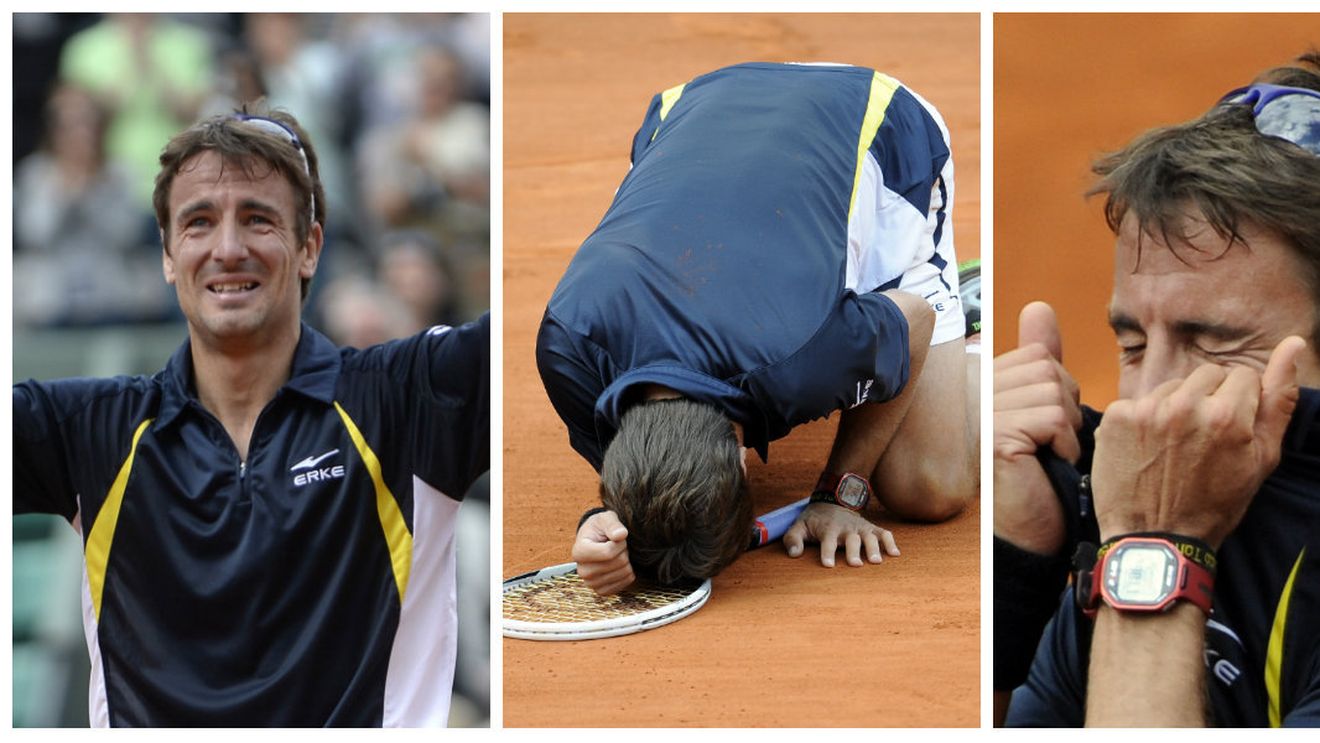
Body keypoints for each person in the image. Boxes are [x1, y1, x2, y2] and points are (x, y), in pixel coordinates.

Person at [13, 106, 489, 726]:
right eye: (199, 222)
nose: (228, 248)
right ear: (166, 255)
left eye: (258, 219)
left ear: (309, 247)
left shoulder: (410, 397)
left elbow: (559, 330)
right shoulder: (89, 429)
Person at [535, 62, 978, 594]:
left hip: (873, 119)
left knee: (928, 487)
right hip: (694, 106)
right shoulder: (567, 350)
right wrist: (599, 520)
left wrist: (840, 493)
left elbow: (915, 320)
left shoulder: (799, 360)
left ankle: (968, 303)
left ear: (747, 468)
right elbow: (625, 490)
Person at [994, 52, 1320, 726]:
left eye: (1214, 342)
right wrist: (1011, 573)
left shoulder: (1159, 511)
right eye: (1134, 345)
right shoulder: (1168, 491)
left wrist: (1154, 546)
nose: (1147, 402)